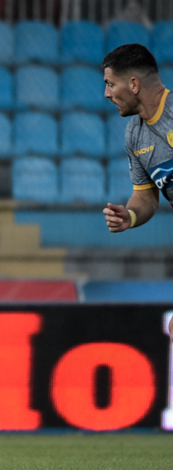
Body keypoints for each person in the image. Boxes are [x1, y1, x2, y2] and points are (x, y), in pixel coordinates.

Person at [102, 44, 173, 340]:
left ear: (133, 84)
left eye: (110, 84)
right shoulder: (135, 134)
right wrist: (130, 215)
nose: (106, 94)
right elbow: (145, 197)